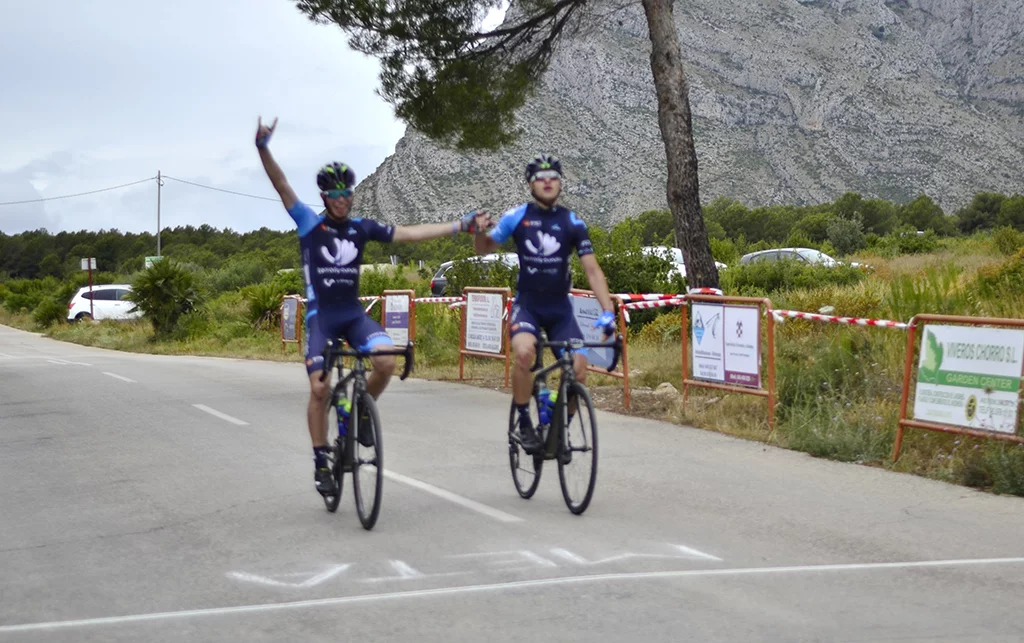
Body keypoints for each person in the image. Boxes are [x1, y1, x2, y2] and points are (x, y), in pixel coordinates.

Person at [256, 117, 489, 496]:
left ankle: (360, 410)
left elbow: (408, 235)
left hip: (352, 314)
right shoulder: (308, 225)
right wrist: (263, 148)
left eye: (347, 191)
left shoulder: (361, 228)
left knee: (386, 360)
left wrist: (459, 226)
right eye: (336, 193)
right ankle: (321, 462)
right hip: (321, 320)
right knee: (319, 390)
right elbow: (282, 186)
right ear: (325, 198)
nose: (344, 197)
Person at [472, 154, 616, 453]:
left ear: (561, 183)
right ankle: (524, 421)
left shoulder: (572, 221)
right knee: (525, 353)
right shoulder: (517, 217)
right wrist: (478, 232)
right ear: (530, 185)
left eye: (553, 176)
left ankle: (559, 429)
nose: (548, 181)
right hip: (529, 305)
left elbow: (592, 270)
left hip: (560, 309)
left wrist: (607, 312)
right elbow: (485, 248)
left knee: (578, 369)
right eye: (540, 177)